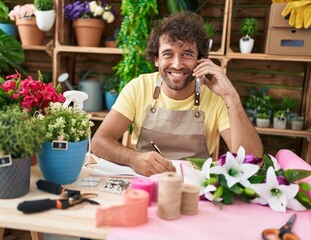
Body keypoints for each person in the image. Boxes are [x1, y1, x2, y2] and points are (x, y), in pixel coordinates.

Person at [91, 11, 263, 176]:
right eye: (168, 54)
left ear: (199, 60)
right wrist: (133, 158)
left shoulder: (216, 97)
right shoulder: (139, 87)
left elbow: (252, 161)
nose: (177, 64)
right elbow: (99, 142)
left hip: (195, 189)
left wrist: (231, 98)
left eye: (187, 54)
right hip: (144, 182)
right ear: (157, 59)